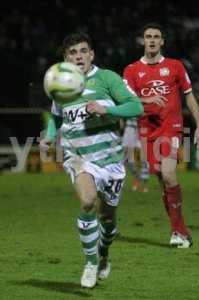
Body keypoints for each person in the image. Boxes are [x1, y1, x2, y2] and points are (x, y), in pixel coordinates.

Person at [39, 32, 143, 288]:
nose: (78, 57)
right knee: (87, 203)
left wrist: (107, 108)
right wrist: (50, 137)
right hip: (78, 157)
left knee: (108, 220)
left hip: (111, 161)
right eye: (72, 53)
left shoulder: (107, 78)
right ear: (66, 58)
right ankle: (90, 262)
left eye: (83, 51)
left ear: (91, 54)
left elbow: (136, 107)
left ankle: (104, 254)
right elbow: (56, 116)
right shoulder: (59, 84)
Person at [123, 23, 199, 248]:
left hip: (171, 128)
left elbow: (189, 96)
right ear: (142, 41)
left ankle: (177, 231)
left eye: (156, 37)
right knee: (162, 183)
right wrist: (147, 100)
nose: (151, 40)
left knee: (169, 174)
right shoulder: (131, 70)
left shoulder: (175, 66)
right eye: (147, 36)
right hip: (147, 130)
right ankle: (180, 231)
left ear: (162, 41)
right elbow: (125, 100)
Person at [121, 117, 149, 192]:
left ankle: (144, 185)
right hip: (130, 128)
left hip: (143, 127)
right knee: (126, 159)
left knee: (143, 158)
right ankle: (137, 177)